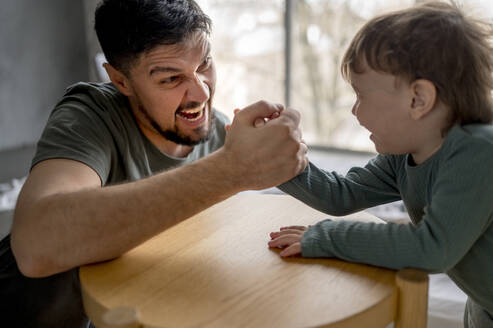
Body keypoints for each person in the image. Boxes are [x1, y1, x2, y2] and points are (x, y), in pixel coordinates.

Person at [0, 0, 308, 327]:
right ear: (121, 81)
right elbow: (36, 246)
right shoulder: (89, 116)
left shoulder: (222, 133)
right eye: (171, 79)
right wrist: (230, 171)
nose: (201, 93)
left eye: (204, 64)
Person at [268, 2, 493, 327]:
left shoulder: (479, 153)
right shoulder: (406, 154)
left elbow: (431, 248)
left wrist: (328, 237)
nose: (355, 112)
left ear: (418, 99)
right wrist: (279, 159)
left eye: (361, 95)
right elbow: (340, 195)